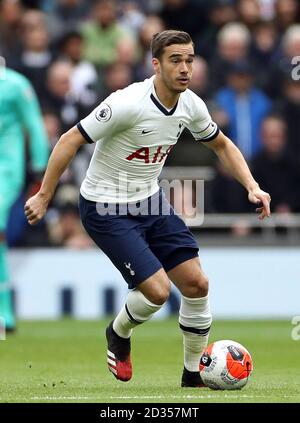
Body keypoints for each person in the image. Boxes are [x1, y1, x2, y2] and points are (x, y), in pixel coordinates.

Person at [24, 30, 271, 387]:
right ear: (155, 64)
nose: (184, 68)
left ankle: (192, 375)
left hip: (149, 199)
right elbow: (70, 139)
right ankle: (118, 332)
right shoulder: (126, 103)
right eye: (175, 60)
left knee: (197, 284)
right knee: (156, 292)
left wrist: (252, 185)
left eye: (189, 59)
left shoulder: (191, 105)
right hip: (105, 204)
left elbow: (222, 145)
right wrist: (45, 195)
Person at [0, 67, 49, 332]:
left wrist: (41, 170)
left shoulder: (16, 85)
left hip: (5, 171)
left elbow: (34, 124)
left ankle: (5, 312)